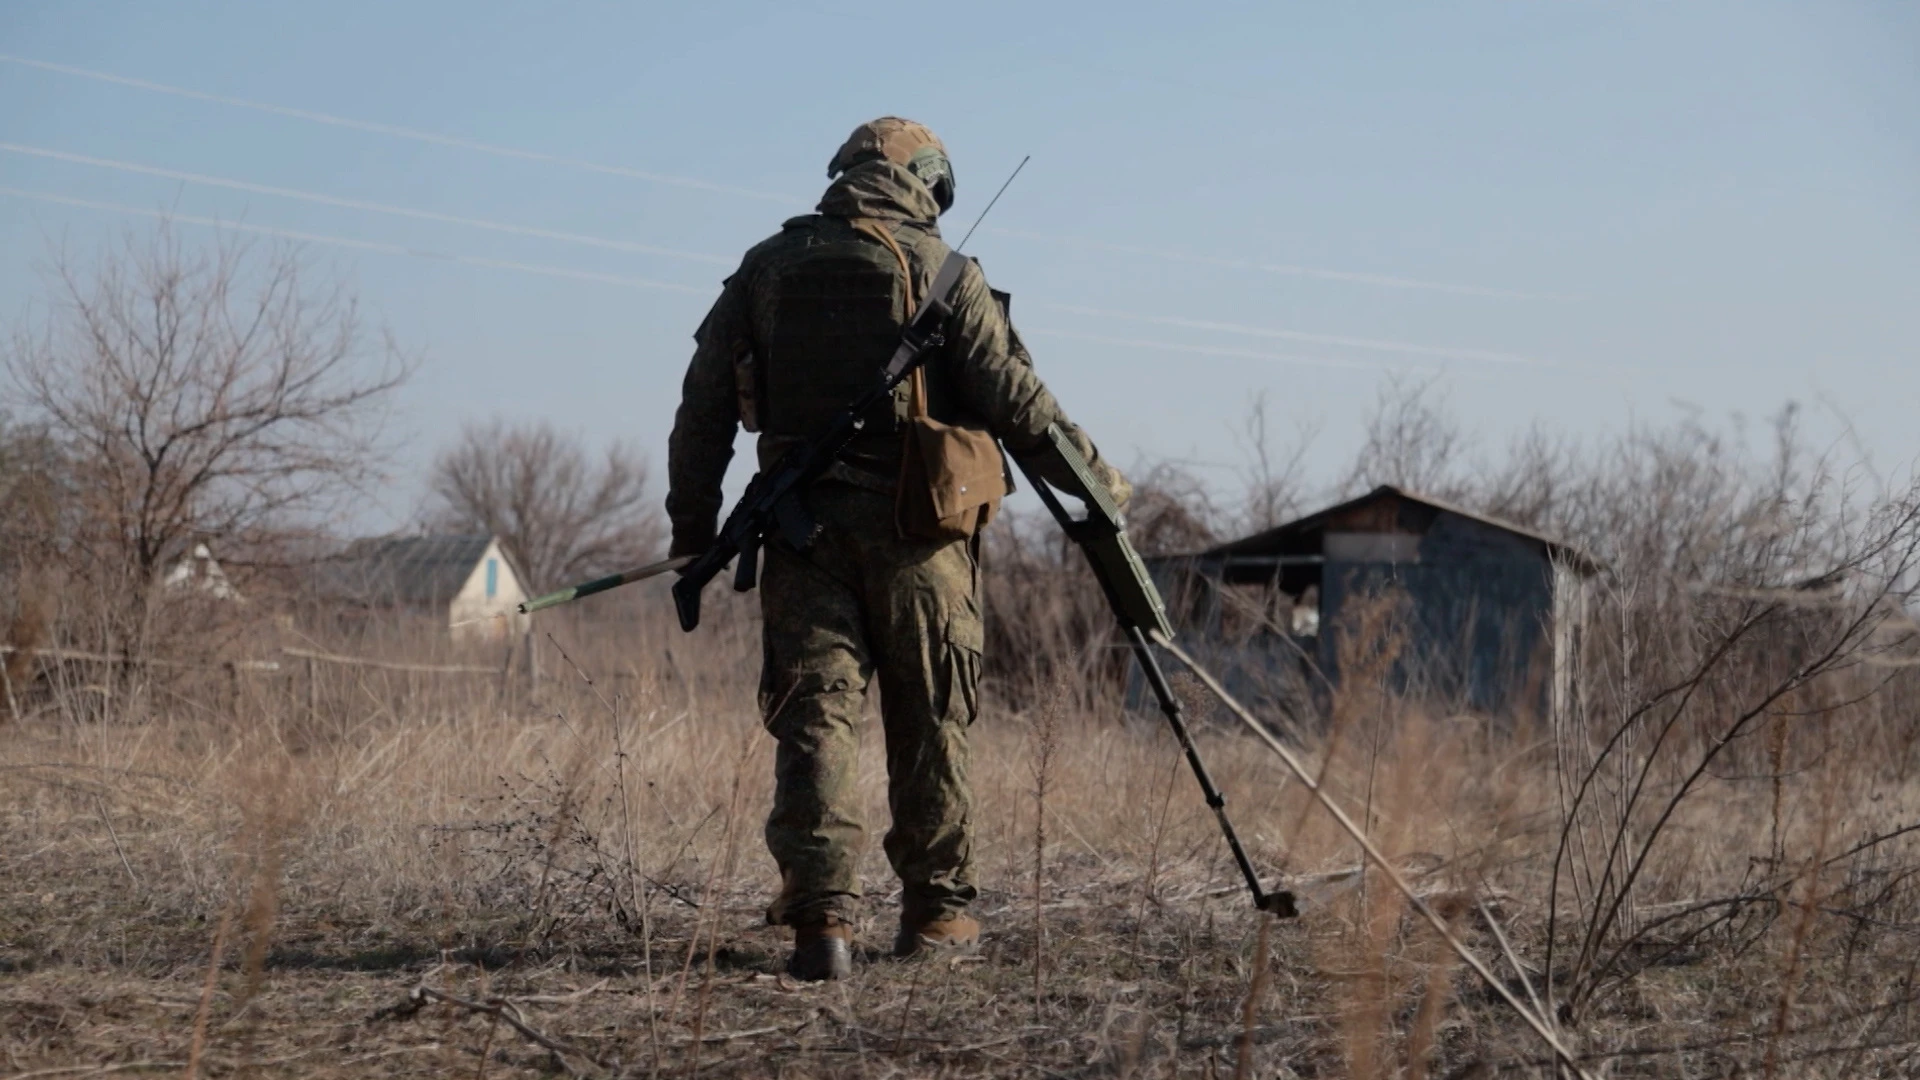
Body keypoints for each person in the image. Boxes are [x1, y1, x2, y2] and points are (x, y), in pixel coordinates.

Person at [666, 117, 1129, 981]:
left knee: (815, 723)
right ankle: (939, 916)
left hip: (803, 537)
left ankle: (821, 926)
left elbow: (702, 412)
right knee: (932, 722)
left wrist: (693, 532)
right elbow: (1019, 404)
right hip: (925, 542)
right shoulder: (947, 273)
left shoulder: (765, 269)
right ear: (929, 183)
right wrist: (1105, 487)